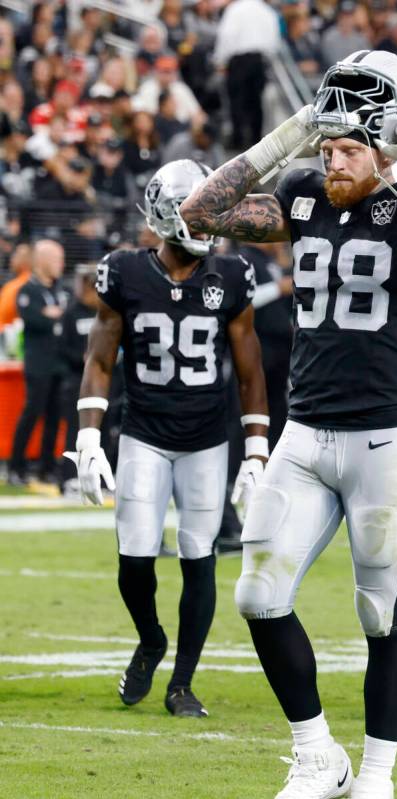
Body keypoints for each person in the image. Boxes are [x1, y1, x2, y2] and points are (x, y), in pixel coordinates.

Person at [181, 50, 397, 799]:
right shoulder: (302, 194)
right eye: (328, 148)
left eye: (349, 148)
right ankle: (317, 752)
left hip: (387, 433)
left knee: (381, 612)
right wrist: (293, 132)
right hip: (306, 430)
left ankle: (379, 774)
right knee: (258, 594)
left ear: (385, 150)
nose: (333, 160)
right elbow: (200, 211)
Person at [65, 159, 268, 718]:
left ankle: (182, 683)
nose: (206, 222)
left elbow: (250, 370)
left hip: (206, 438)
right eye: (194, 210)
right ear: (162, 214)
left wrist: (256, 449)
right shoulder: (124, 272)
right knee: (134, 556)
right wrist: (88, 437)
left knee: (199, 555)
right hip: (145, 433)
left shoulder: (230, 276)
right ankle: (151, 639)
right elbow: (99, 360)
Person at [9, 239, 68, 485]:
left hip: (60, 362)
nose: (61, 265)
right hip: (38, 363)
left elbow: (67, 319)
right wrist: (53, 318)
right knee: (32, 413)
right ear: (42, 261)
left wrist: (53, 317)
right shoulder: (28, 289)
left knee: (55, 417)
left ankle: (47, 466)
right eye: (56, 260)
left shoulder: (61, 290)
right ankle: (16, 466)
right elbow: (34, 320)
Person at [212, 0, 281, 151]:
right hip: (259, 61)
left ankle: (238, 139)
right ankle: (256, 140)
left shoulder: (235, 9)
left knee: (237, 101)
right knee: (256, 102)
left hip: (239, 61)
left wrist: (220, 59)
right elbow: (274, 41)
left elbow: (227, 35)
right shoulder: (267, 11)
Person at [59, 262, 100, 495]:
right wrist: (82, 358)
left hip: (100, 384)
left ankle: (98, 477)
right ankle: (68, 477)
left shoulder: (104, 313)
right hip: (76, 381)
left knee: (98, 432)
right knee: (75, 431)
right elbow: (61, 348)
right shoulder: (72, 312)